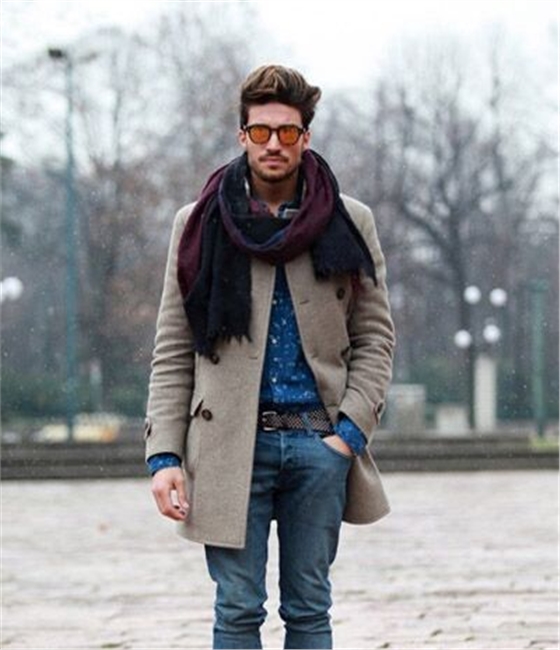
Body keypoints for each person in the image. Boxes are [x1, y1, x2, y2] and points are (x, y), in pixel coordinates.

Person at [145, 64, 395, 650]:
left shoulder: (348, 221)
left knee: (309, 608)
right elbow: (174, 348)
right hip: (229, 443)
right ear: (243, 136)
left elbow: (375, 337)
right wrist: (164, 455)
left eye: (287, 131)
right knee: (237, 609)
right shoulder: (198, 223)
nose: (274, 144)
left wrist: (348, 433)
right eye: (261, 132)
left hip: (319, 442)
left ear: (306, 136)